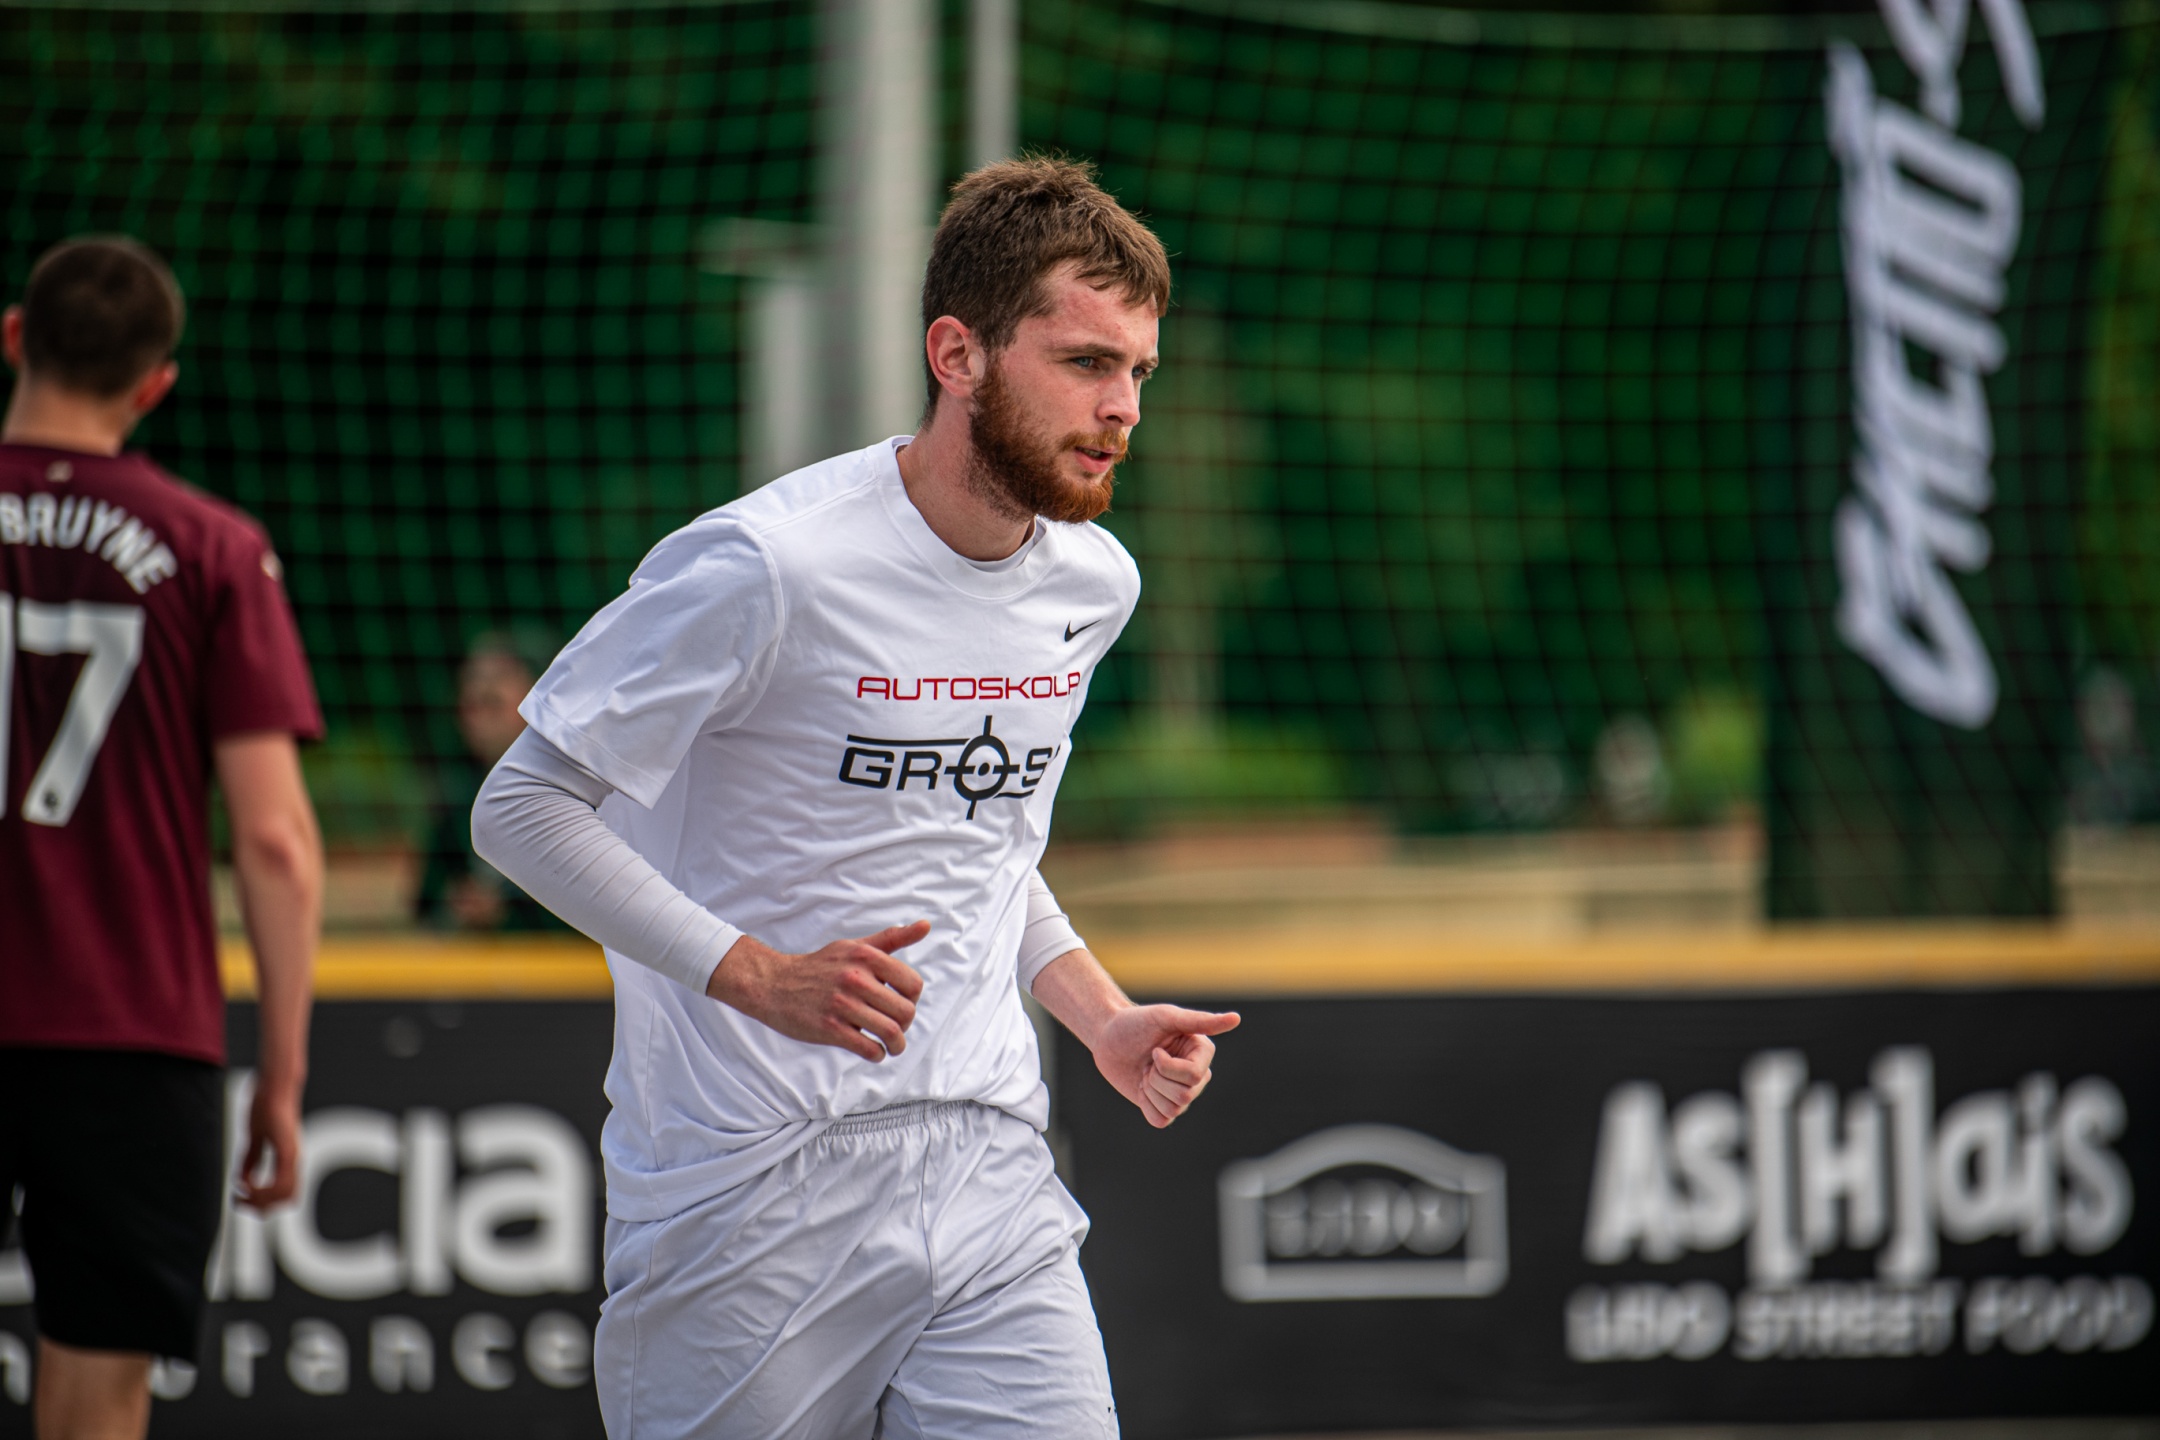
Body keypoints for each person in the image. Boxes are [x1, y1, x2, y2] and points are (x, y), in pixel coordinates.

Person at [473, 157, 1237, 1438]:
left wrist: (1100, 1016)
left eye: (1139, 372)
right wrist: (758, 975)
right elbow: (523, 807)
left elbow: (981, 845)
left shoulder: (1094, 585)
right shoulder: (768, 563)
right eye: (1086, 362)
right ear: (958, 354)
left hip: (992, 1168)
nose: (1123, 408)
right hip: (746, 1196)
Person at [0, 237, 323, 1439]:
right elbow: (276, 841)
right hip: (130, 1032)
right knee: (97, 1397)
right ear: (155, 384)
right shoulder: (211, 546)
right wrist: (281, 1072)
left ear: (14, 338)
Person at [415, 627, 567, 931]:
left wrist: (509, 914)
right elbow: (425, 907)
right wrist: (455, 905)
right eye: (470, 704)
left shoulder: (578, 796)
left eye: (492, 703)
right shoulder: (457, 801)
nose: (476, 717)